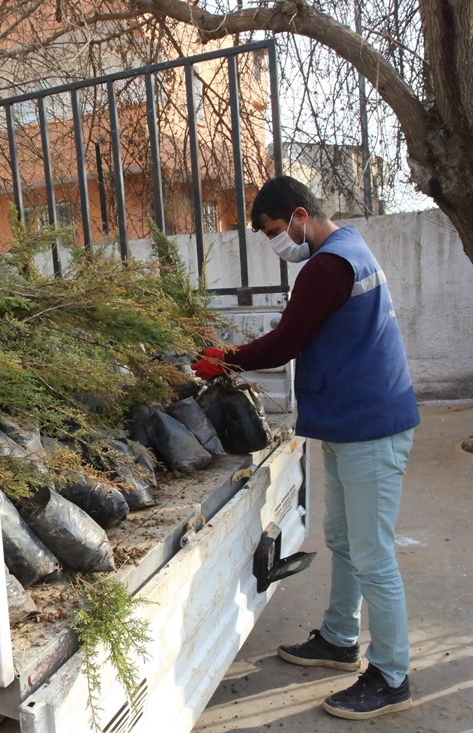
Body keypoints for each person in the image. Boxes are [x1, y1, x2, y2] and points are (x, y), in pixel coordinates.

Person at [193, 175, 419, 720]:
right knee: (343, 538)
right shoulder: (348, 247)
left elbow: (288, 342)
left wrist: (225, 359)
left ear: (299, 215)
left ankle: (392, 675)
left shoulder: (328, 264)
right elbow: (312, 329)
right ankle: (341, 639)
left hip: (371, 426)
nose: (278, 243)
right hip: (352, 422)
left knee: (373, 554)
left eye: (275, 231)